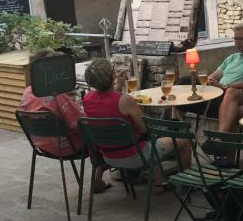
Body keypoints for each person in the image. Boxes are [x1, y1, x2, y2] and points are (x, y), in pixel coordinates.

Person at [82, 58, 191, 191]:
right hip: (135, 157)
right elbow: (145, 129)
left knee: (149, 141)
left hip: (108, 157)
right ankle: (188, 184)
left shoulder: (87, 99)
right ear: (112, 76)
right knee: (183, 141)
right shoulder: (125, 100)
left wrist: (118, 87)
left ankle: (159, 183)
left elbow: (107, 101)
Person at [18, 49, 110, 194]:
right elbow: (81, 122)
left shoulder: (28, 91)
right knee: (107, 133)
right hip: (68, 146)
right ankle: (103, 177)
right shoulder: (56, 95)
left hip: (42, 145)